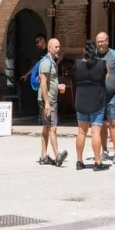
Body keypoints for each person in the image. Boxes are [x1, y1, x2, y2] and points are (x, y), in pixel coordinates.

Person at [72, 40, 110, 170]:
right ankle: (97, 162)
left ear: (84, 51)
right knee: (95, 132)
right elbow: (106, 79)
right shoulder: (101, 64)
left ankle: (79, 161)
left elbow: (75, 78)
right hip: (97, 99)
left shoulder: (77, 64)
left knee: (81, 131)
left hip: (81, 99)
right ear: (95, 51)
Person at [96, 31, 115, 163]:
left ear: (107, 41)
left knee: (113, 123)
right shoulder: (94, 56)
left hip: (113, 95)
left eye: (102, 41)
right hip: (98, 96)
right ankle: (104, 151)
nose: (100, 44)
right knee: (102, 124)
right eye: (98, 42)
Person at [37, 37, 62, 167]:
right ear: (49, 48)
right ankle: (58, 155)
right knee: (52, 128)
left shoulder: (51, 62)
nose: (58, 49)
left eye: (59, 46)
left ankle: (43, 156)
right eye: (56, 47)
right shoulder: (46, 62)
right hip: (48, 101)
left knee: (46, 128)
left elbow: (49, 82)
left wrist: (57, 87)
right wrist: (47, 103)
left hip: (51, 99)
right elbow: (43, 83)